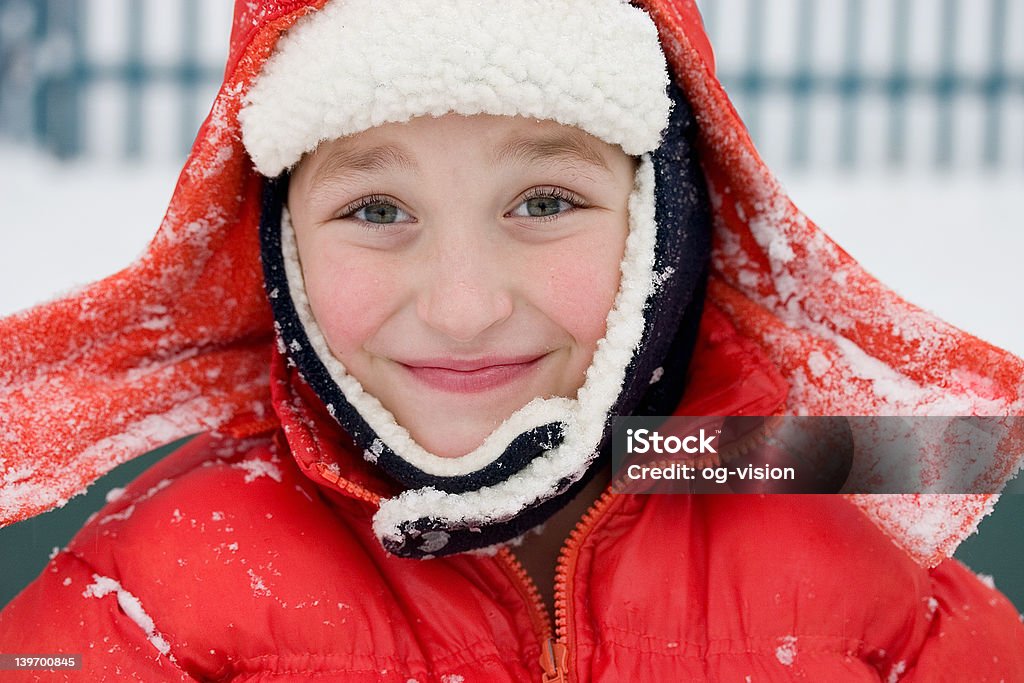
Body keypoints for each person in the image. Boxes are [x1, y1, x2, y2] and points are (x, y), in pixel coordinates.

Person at [1, 0, 1022, 680]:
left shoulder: (839, 530)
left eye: (543, 200)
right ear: (281, 253)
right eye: (373, 208)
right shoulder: (157, 589)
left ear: (666, 227)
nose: (461, 305)